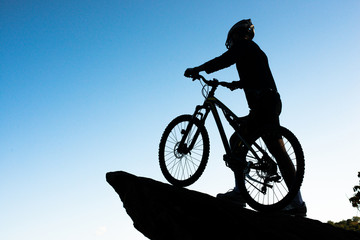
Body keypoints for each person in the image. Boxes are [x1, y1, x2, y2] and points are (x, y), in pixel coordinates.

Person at [184, 19, 306, 216]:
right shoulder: (254, 50)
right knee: (274, 149)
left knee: (239, 142)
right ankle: (297, 203)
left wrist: (198, 69)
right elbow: (257, 75)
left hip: (263, 103)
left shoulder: (243, 45)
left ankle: (242, 194)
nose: (231, 43)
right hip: (268, 102)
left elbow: (224, 59)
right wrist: (236, 84)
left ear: (235, 35)